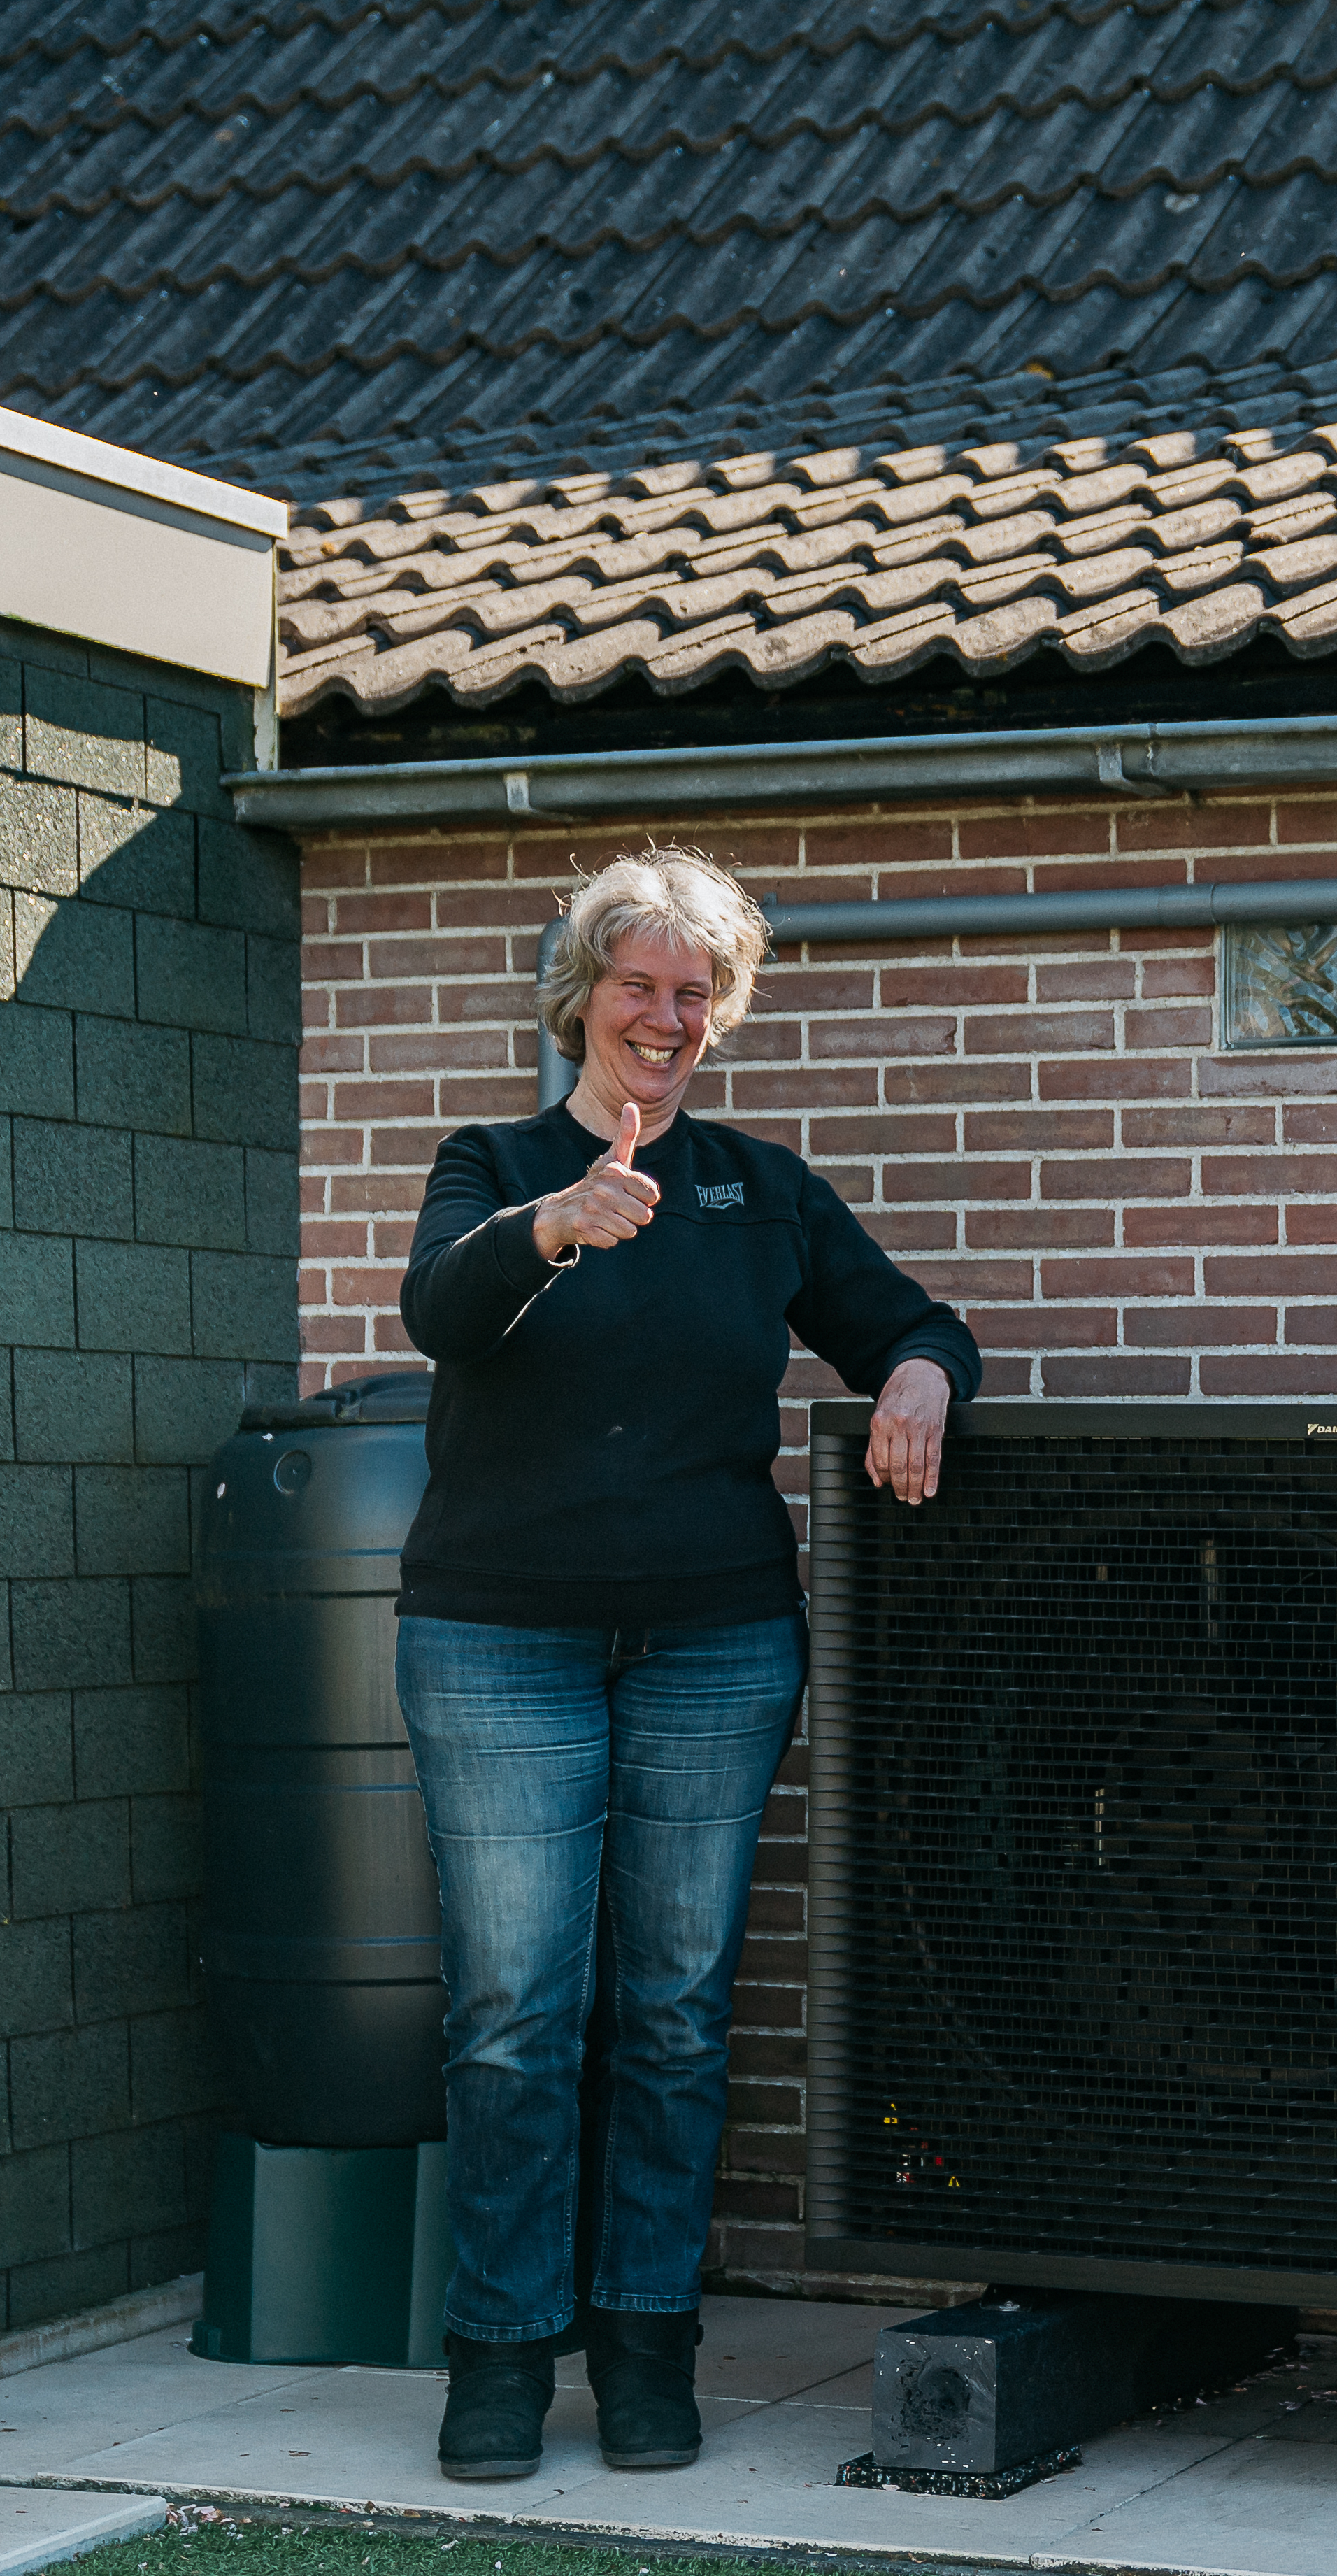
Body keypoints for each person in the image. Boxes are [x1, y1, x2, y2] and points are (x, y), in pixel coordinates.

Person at [394, 847, 978, 2484]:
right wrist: (557, 1225)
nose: (667, 1016)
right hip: (498, 1639)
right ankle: (500, 2353)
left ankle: (647, 2341)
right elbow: (439, 1309)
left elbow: (914, 1320)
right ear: (580, 994)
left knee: (671, 2012)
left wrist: (925, 1379)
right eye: (639, 984)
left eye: (695, 991)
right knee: (516, 2014)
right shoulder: (493, 1162)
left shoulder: (759, 1189)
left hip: (715, 1645)